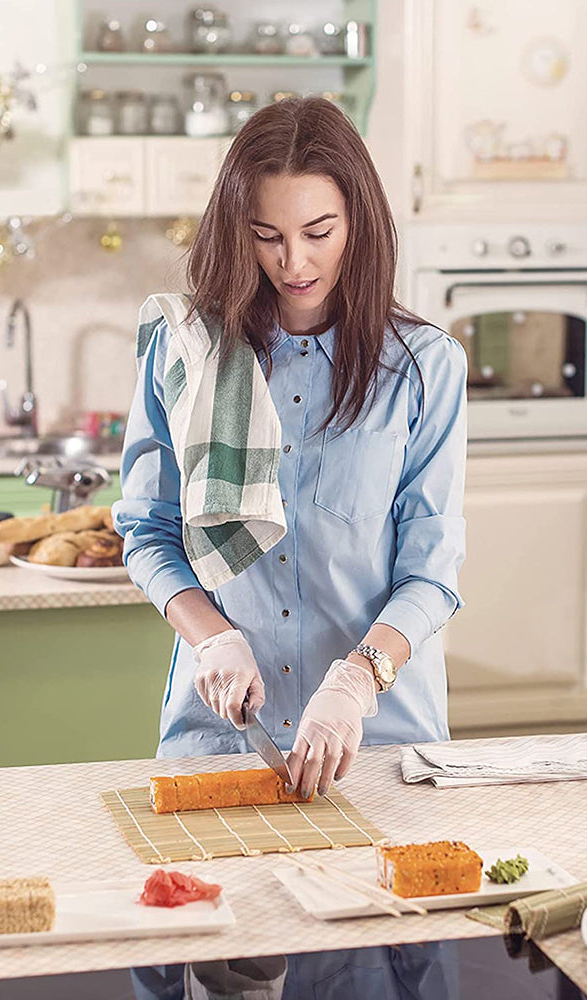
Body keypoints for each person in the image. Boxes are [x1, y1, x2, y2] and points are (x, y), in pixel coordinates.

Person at [113, 97, 467, 799]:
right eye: (266, 234)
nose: (294, 261)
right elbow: (147, 532)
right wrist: (210, 636)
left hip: (378, 739)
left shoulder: (425, 367)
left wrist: (360, 675)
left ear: (358, 224)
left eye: (318, 231)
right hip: (220, 736)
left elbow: (434, 571)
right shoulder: (183, 353)